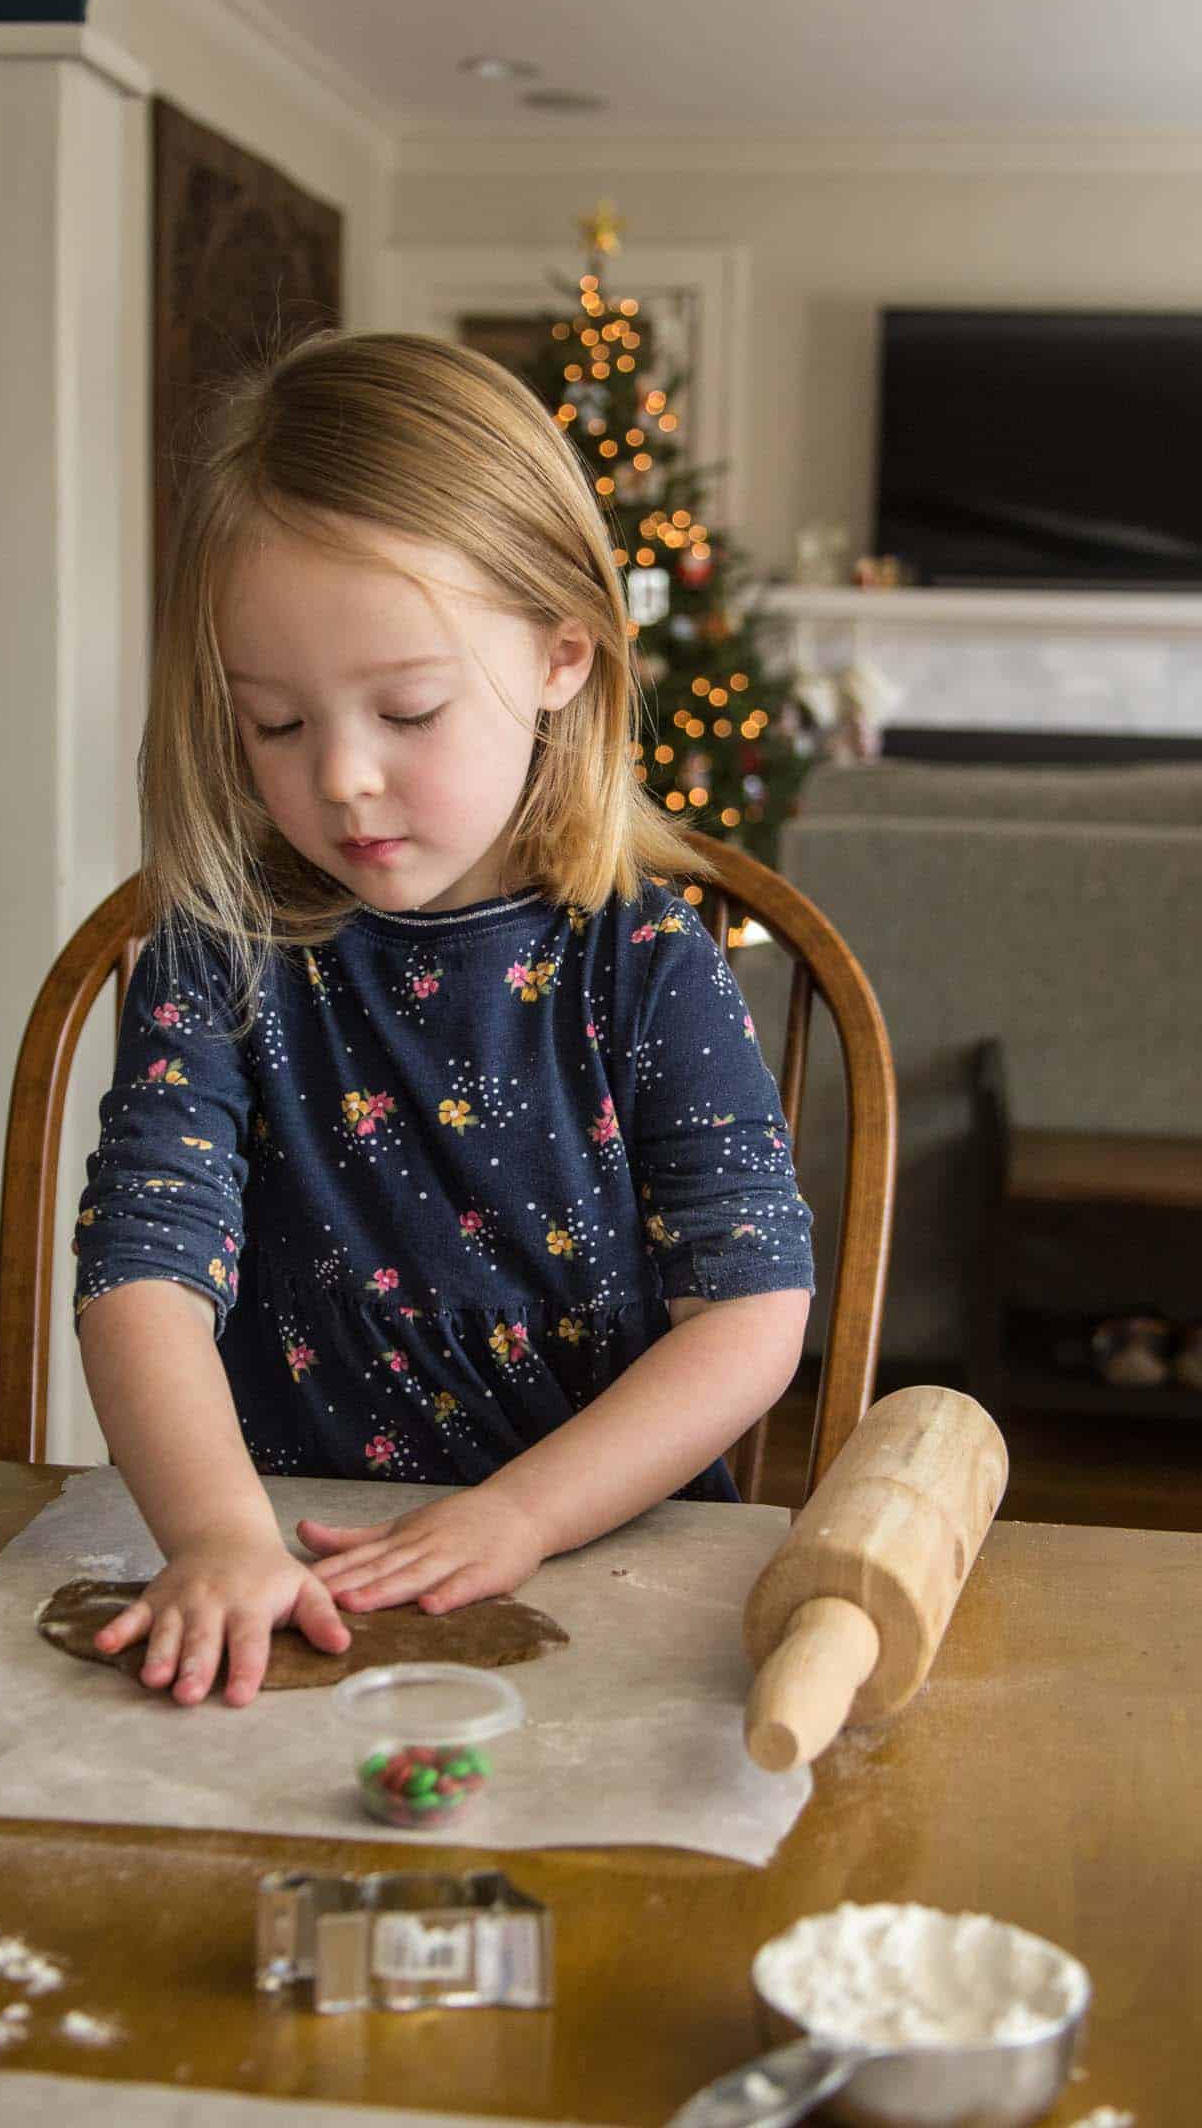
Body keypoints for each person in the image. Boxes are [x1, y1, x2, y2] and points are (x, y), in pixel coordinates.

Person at [73, 329, 814, 1711]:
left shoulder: (648, 960)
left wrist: (521, 1516)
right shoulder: (223, 948)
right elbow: (141, 1274)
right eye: (276, 726)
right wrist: (222, 1538)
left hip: (616, 1575)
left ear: (559, 658)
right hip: (297, 1581)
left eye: (406, 709)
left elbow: (751, 1315)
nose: (343, 779)